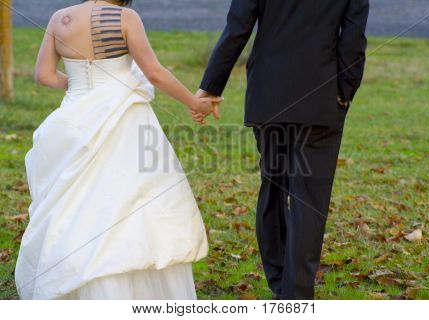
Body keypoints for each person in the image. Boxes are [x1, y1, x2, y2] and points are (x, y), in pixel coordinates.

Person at [15, 0, 221, 300]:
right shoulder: (125, 17)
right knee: (130, 203)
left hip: (74, 120)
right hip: (124, 118)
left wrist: (81, 90)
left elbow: (44, 76)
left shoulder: (61, 18)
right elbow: (155, 72)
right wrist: (194, 103)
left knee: (78, 208)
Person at [197, 0, 369, 299]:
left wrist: (212, 86)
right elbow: (353, 38)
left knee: (274, 188)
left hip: (269, 94)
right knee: (309, 199)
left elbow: (238, 28)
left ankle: (281, 285)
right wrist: (344, 91)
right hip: (320, 97)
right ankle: (296, 296)